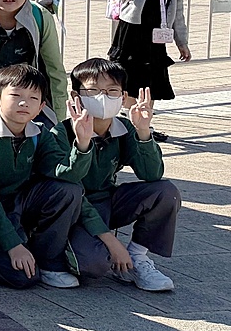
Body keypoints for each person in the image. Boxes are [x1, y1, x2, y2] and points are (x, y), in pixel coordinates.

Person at [0, 64, 91, 289]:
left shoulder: (39, 132)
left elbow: (67, 175)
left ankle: (49, 261)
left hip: (20, 206)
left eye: (33, 98)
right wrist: (13, 245)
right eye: (16, 95)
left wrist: (82, 143)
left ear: (41, 106)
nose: (24, 103)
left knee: (69, 190)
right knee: (23, 277)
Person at [65, 58, 177, 292]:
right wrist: (110, 240)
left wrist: (143, 131)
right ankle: (60, 252)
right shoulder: (62, 132)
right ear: (76, 96)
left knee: (166, 192)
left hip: (108, 201)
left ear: (124, 97)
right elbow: (70, 187)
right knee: (92, 265)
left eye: (111, 91)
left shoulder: (124, 128)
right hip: (75, 208)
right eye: (93, 91)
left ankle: (137, 256)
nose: (102, 97)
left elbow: (152, 174)